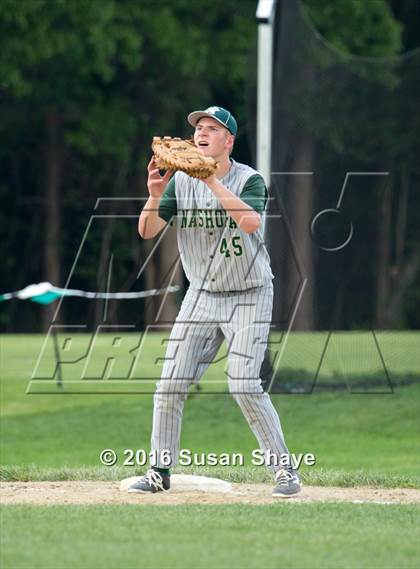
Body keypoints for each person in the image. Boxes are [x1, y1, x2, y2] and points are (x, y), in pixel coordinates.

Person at [129, 106, 301, 497]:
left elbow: (251, 222)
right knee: (169, 385)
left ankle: (285, 471)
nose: (202, 133)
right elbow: (146, 230)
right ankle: (159, 472)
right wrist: (155, 196)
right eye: (199, 128)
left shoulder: (249, 179)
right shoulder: (179, 182)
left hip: (250, 294)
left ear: (229, 141)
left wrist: (209, 181)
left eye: (212, 128)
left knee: (243, 384)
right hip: (202, 295)